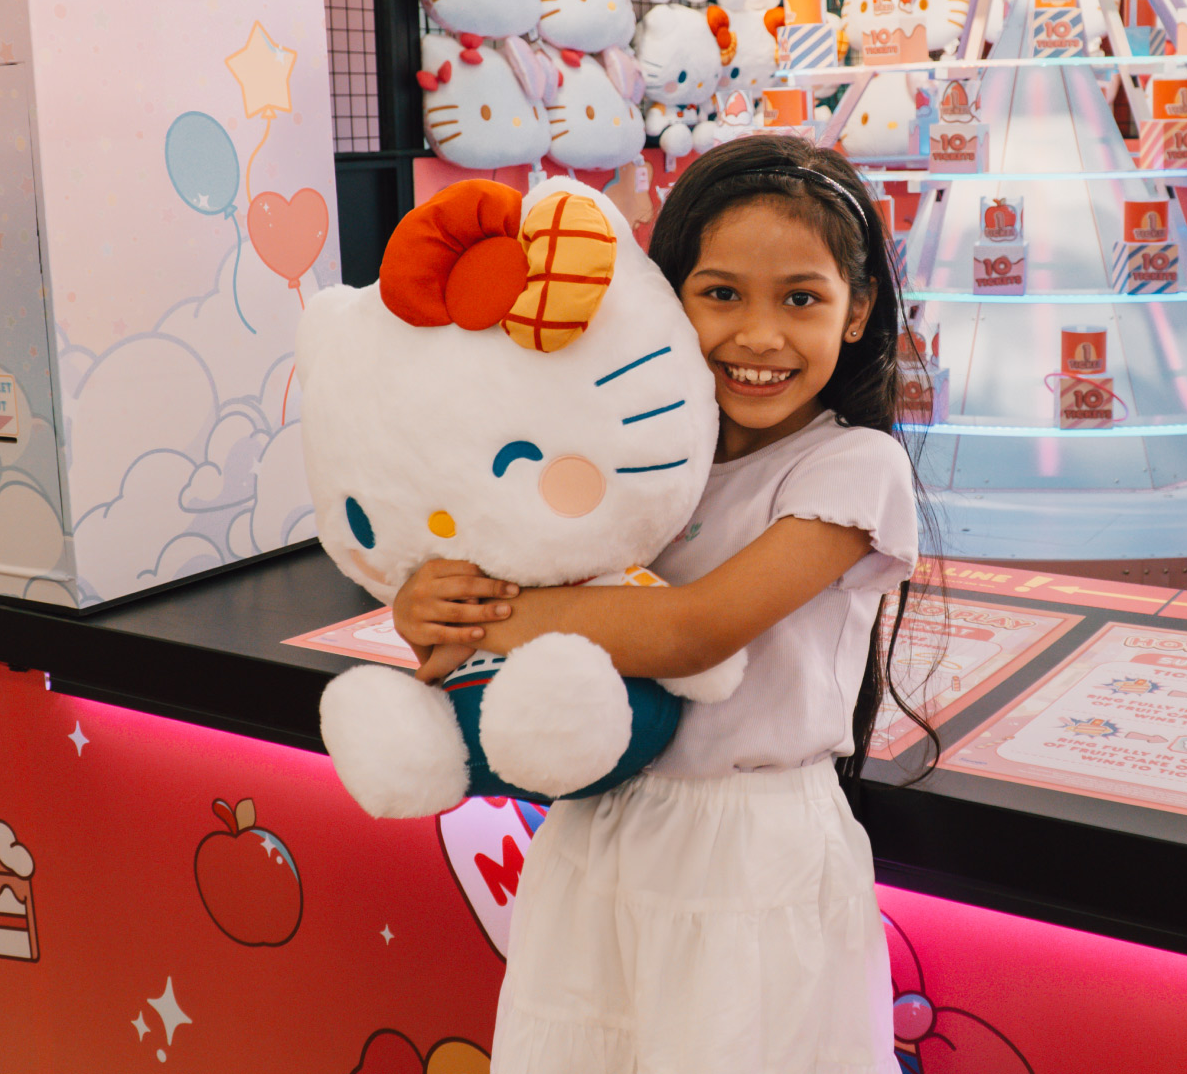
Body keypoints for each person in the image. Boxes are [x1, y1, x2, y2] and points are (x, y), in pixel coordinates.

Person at [391, 133, 933, 1072]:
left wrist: (497, 615)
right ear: (665, 299)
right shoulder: (634, 462)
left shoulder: (854, 468)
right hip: (596, 832)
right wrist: (431, 604)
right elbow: (511, 586)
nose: (759, 336)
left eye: (800, 298)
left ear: (858, 312)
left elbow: (691, 631)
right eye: (720, 293)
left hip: (749, 853)